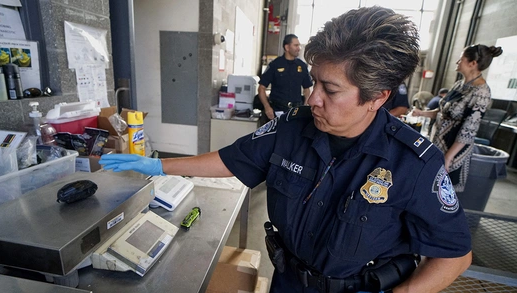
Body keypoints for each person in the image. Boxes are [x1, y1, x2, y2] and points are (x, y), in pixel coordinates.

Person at [100, 7, 472, 293]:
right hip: (288, 282)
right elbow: (232, 160)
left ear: (378, 97)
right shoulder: (293, 128)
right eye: (314, 83)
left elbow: (454, 254)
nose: (313, 99)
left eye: (330, 89)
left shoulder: (413, 163)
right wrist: (159, 166)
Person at [413, 44, 503, 192]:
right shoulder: (459, 85)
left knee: (440, 193)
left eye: (461, 59)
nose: (457, 62)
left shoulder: (481, 93)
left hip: (453, 153)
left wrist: (448, 158)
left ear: (472, 64)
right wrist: (422, 113)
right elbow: (444, 111)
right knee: (425, 188)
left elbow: (468, 131)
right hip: (438, 145)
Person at [258, 34, 313, 120]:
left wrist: (305, 106)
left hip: (295, 112)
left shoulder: (302, 66)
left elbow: (307, 89)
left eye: (299, 45)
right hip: (277, 111)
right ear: (287, 47)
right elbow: (261, 88)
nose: (299, 48)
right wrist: (267, 107)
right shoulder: (275, 65)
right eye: (296, 45)